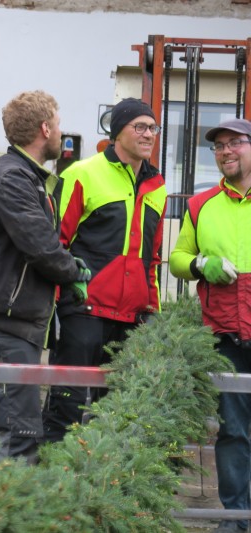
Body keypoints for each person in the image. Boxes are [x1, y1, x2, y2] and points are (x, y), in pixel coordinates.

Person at [0, 90, 90, 462]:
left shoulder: (25, 176)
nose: (61, 133)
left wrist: (67, 268)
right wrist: (73, 272)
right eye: (58, 125)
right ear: (45, 129)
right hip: (3, 325)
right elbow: (41, 246)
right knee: (18, 433)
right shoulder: (13, 178)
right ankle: (10, 501)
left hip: (10, 323)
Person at [42, 97, 168, 443]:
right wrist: (59, 306)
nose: (148, 134)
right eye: (139, 127)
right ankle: (52, 467)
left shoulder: (158, 186)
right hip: (83, 312)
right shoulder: (82, 173)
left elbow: (152, 259)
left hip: (132, 320)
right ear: (117, 132)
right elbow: (56, 245)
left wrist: (153, 311)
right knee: (66, 405)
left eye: (153, 128)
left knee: (117, 416)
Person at [170, 118, 251, 533]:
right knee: (234, 430)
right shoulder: (200, 205)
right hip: (225, 335)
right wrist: (203, 263)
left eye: (235, 143)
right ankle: (236, 518)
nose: (225, 152)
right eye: (219, 146)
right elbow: (177, 259)